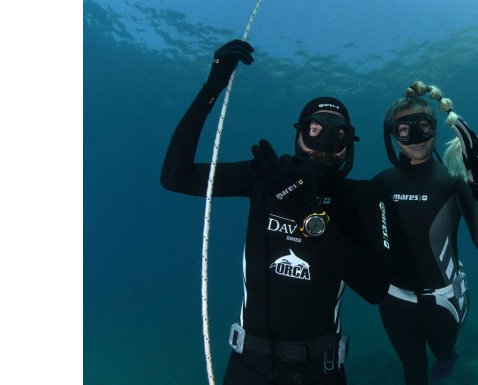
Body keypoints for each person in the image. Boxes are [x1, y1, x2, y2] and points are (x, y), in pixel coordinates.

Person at [160, 39, 392, 385]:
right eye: (314, 131)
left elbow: (375, 288)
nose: (324, 146)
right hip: (249, 366)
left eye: (337, 135)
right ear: (299, 134)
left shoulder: (360, 196)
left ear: (349, 144)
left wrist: (308, 213)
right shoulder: (264, 177)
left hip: (321, 369)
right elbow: (176, 177)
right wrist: (213, 86)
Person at [373, 81, 478, 384]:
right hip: (393, 301)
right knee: (413, 370)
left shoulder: (454, 180)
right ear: (392, 135)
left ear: (435, 127)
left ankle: (448, 357)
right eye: (404, 130)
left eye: (423, 126)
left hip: (444, 301)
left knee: (443, 351)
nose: (415, 137)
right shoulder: (380, 183)